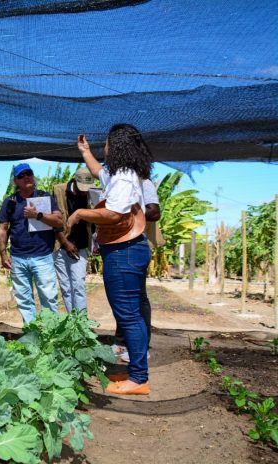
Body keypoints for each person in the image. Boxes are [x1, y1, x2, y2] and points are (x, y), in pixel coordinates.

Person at [68, 124, 152, 395]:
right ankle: (136, 371)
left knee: (128, 315)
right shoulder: (120, 175)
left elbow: (114, 214)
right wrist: (85, 151)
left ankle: (139, 378)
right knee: (131, 313)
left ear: (116, 146)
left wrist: (80, 213)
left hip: (124, 252)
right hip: (125, 250)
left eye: (105, 143)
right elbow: (99, 173)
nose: (103, 147)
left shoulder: (125, 177)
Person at [0, 163, 63, 323]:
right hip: (18, 258)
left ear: (33, 176)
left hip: (43, 256)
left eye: (29, 173)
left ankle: (50, 334)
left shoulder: (44, 197)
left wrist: (38, 215)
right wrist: (3, 253)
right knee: (24, 299)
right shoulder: (10, 202)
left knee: (48, 298)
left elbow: (58, 220)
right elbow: (2, 229)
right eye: (21, 175)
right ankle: (32, 332)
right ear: (15, 181)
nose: (26, 177)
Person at [109, 176, 163, 361]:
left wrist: (125, 211)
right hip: (119, 244)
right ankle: (122, 342)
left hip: (135, 245)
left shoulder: (143, 183)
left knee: (138, 297)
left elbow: (154, 212)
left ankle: (139, 346)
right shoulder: (117, 183)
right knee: (122, 297)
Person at [53, 167, 95, 313]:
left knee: (78, 285)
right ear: (75, 181)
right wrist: (65, 242)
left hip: (81, 246)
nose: (85, 191)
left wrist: (96, 242)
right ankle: (72, 322)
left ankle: (81, 323)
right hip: (60, 245)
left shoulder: (93, 194)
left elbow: (96, 221)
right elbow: (53, 221)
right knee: (65, 286)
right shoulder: (59, 191)